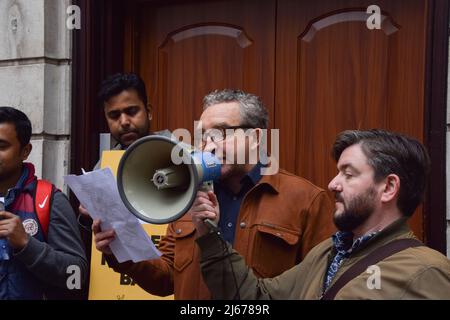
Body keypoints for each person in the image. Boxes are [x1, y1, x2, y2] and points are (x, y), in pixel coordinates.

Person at [94, 89, 335, 299]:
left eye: (221, 133)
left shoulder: (306, 199)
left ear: (256, 138)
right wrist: (121, 250)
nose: (208, 146)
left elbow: (321, 284)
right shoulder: (189, 196)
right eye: (203, 136)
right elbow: (166, 278)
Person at [193, 129, 450, 299]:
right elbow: (257, 297)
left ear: (389, 187)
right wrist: (209, 234)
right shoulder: (328, 252)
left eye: (348, 174)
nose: (332, 184)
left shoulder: (426, 271)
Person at [0, 106, 88, 299]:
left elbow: (77, 276)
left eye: (2, 146)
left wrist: (26, 245)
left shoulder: (49, 200)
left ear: (25, 151)